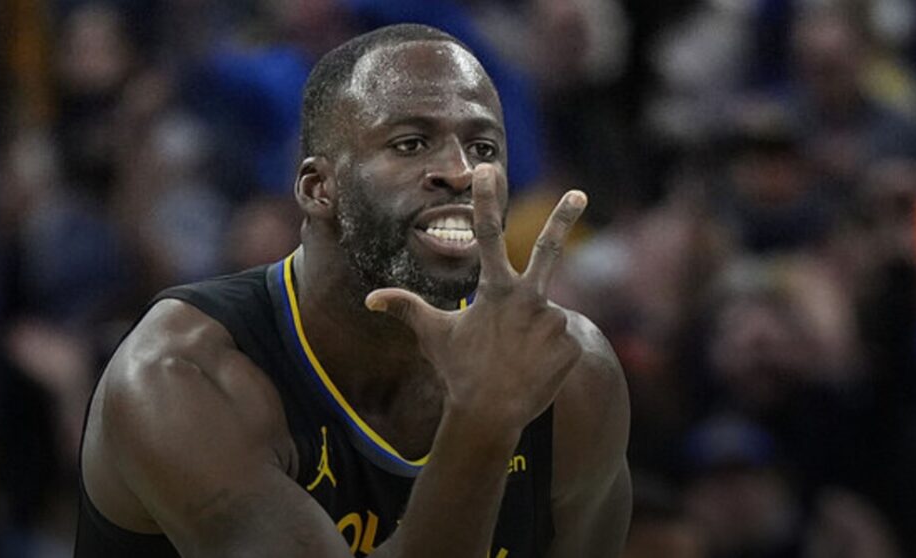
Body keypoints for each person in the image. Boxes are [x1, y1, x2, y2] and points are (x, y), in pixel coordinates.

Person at [75, 24, 631, 557]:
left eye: (484, 148)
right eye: (411, 144)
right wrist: (483, 421)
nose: (462, 172)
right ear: (319, 188)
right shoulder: (181, 375)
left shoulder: (572, 378)